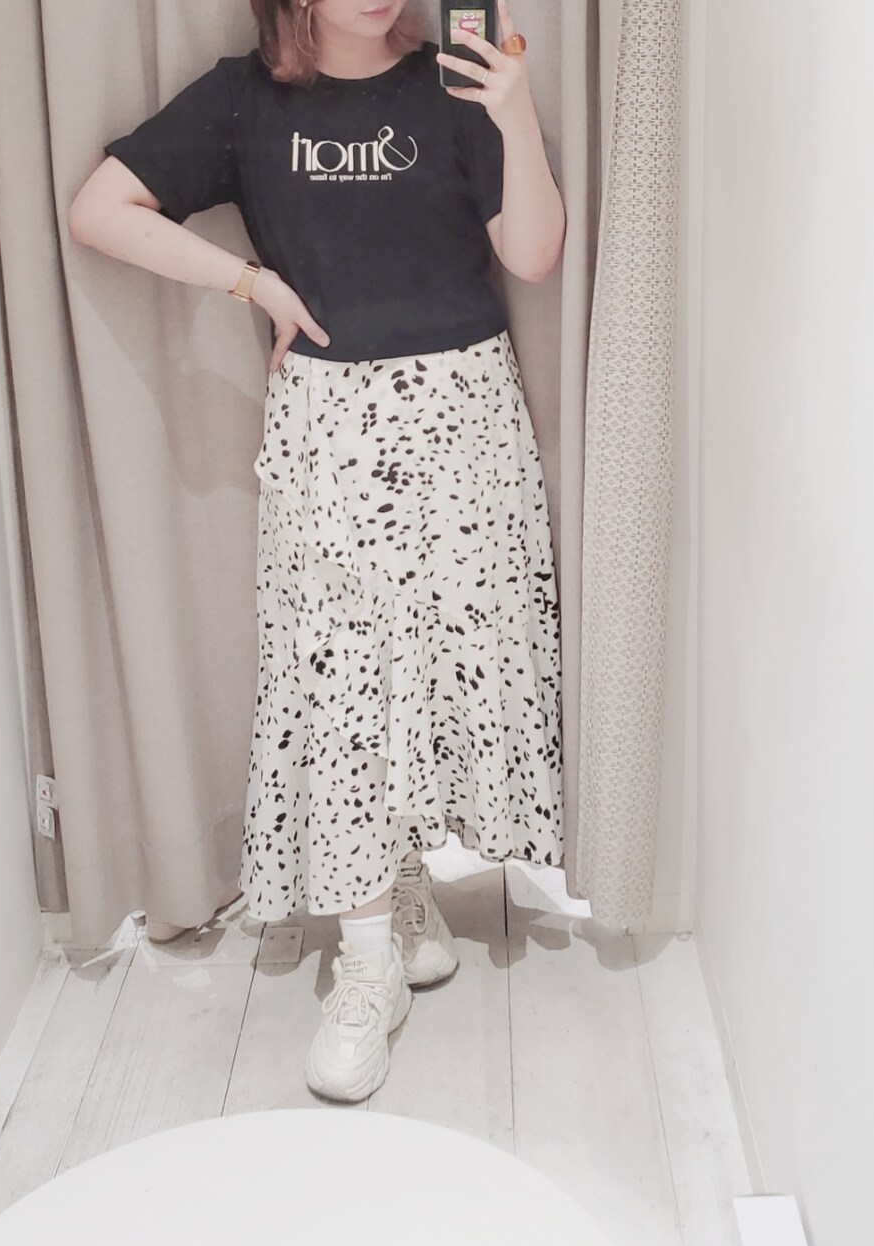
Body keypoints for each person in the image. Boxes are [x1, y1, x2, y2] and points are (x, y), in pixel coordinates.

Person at [68, 0, 565, 1104]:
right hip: (330, 428)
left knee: (438, 676)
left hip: (464, 420)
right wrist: (251, 284)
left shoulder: (456, 86)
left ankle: (400, 882)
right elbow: (100, 209)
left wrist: (517, 114)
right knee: (340, 687)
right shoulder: (245, 99)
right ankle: (366, 966)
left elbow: (533, 255)